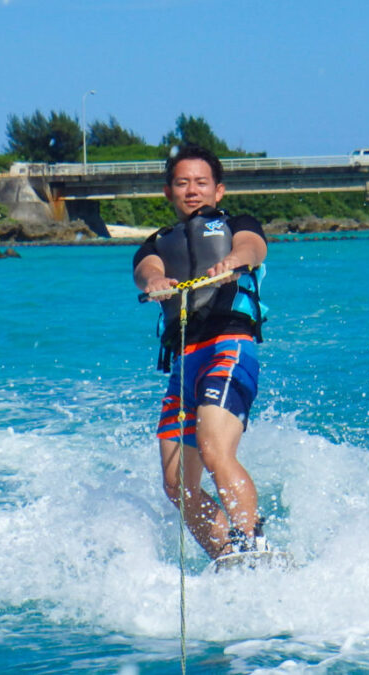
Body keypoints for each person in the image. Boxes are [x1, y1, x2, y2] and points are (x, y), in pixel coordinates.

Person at [133, 145, 268, 560]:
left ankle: (252, 540)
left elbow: (252, 247)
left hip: (228, 348)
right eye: (182, 182)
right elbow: (146, 269)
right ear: (168, 191)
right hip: (184, 364)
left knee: (213, 448)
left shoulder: (238, 225)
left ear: (219, 190)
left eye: (201, 182)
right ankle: (227, 556)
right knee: (176, 484)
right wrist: (155, 281)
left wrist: (232, 261)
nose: (192, 190)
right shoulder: (155, 243)